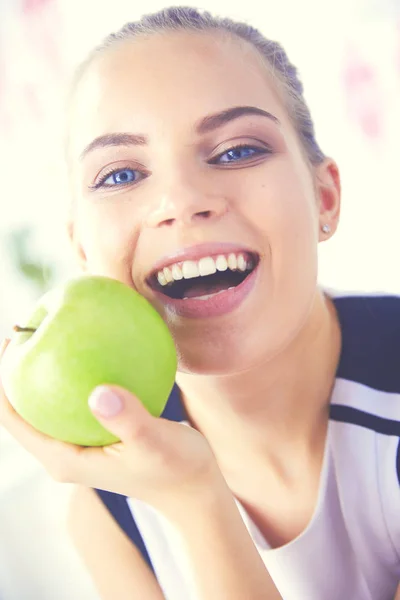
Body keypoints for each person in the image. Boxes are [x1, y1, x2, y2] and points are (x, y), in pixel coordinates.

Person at [1, 5, 400, 599]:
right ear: (82, 247)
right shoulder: (112, 513)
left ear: (324, 198)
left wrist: (194, 499)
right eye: (119, 175)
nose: (181, 200)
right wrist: (189, 498)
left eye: (237, 151)